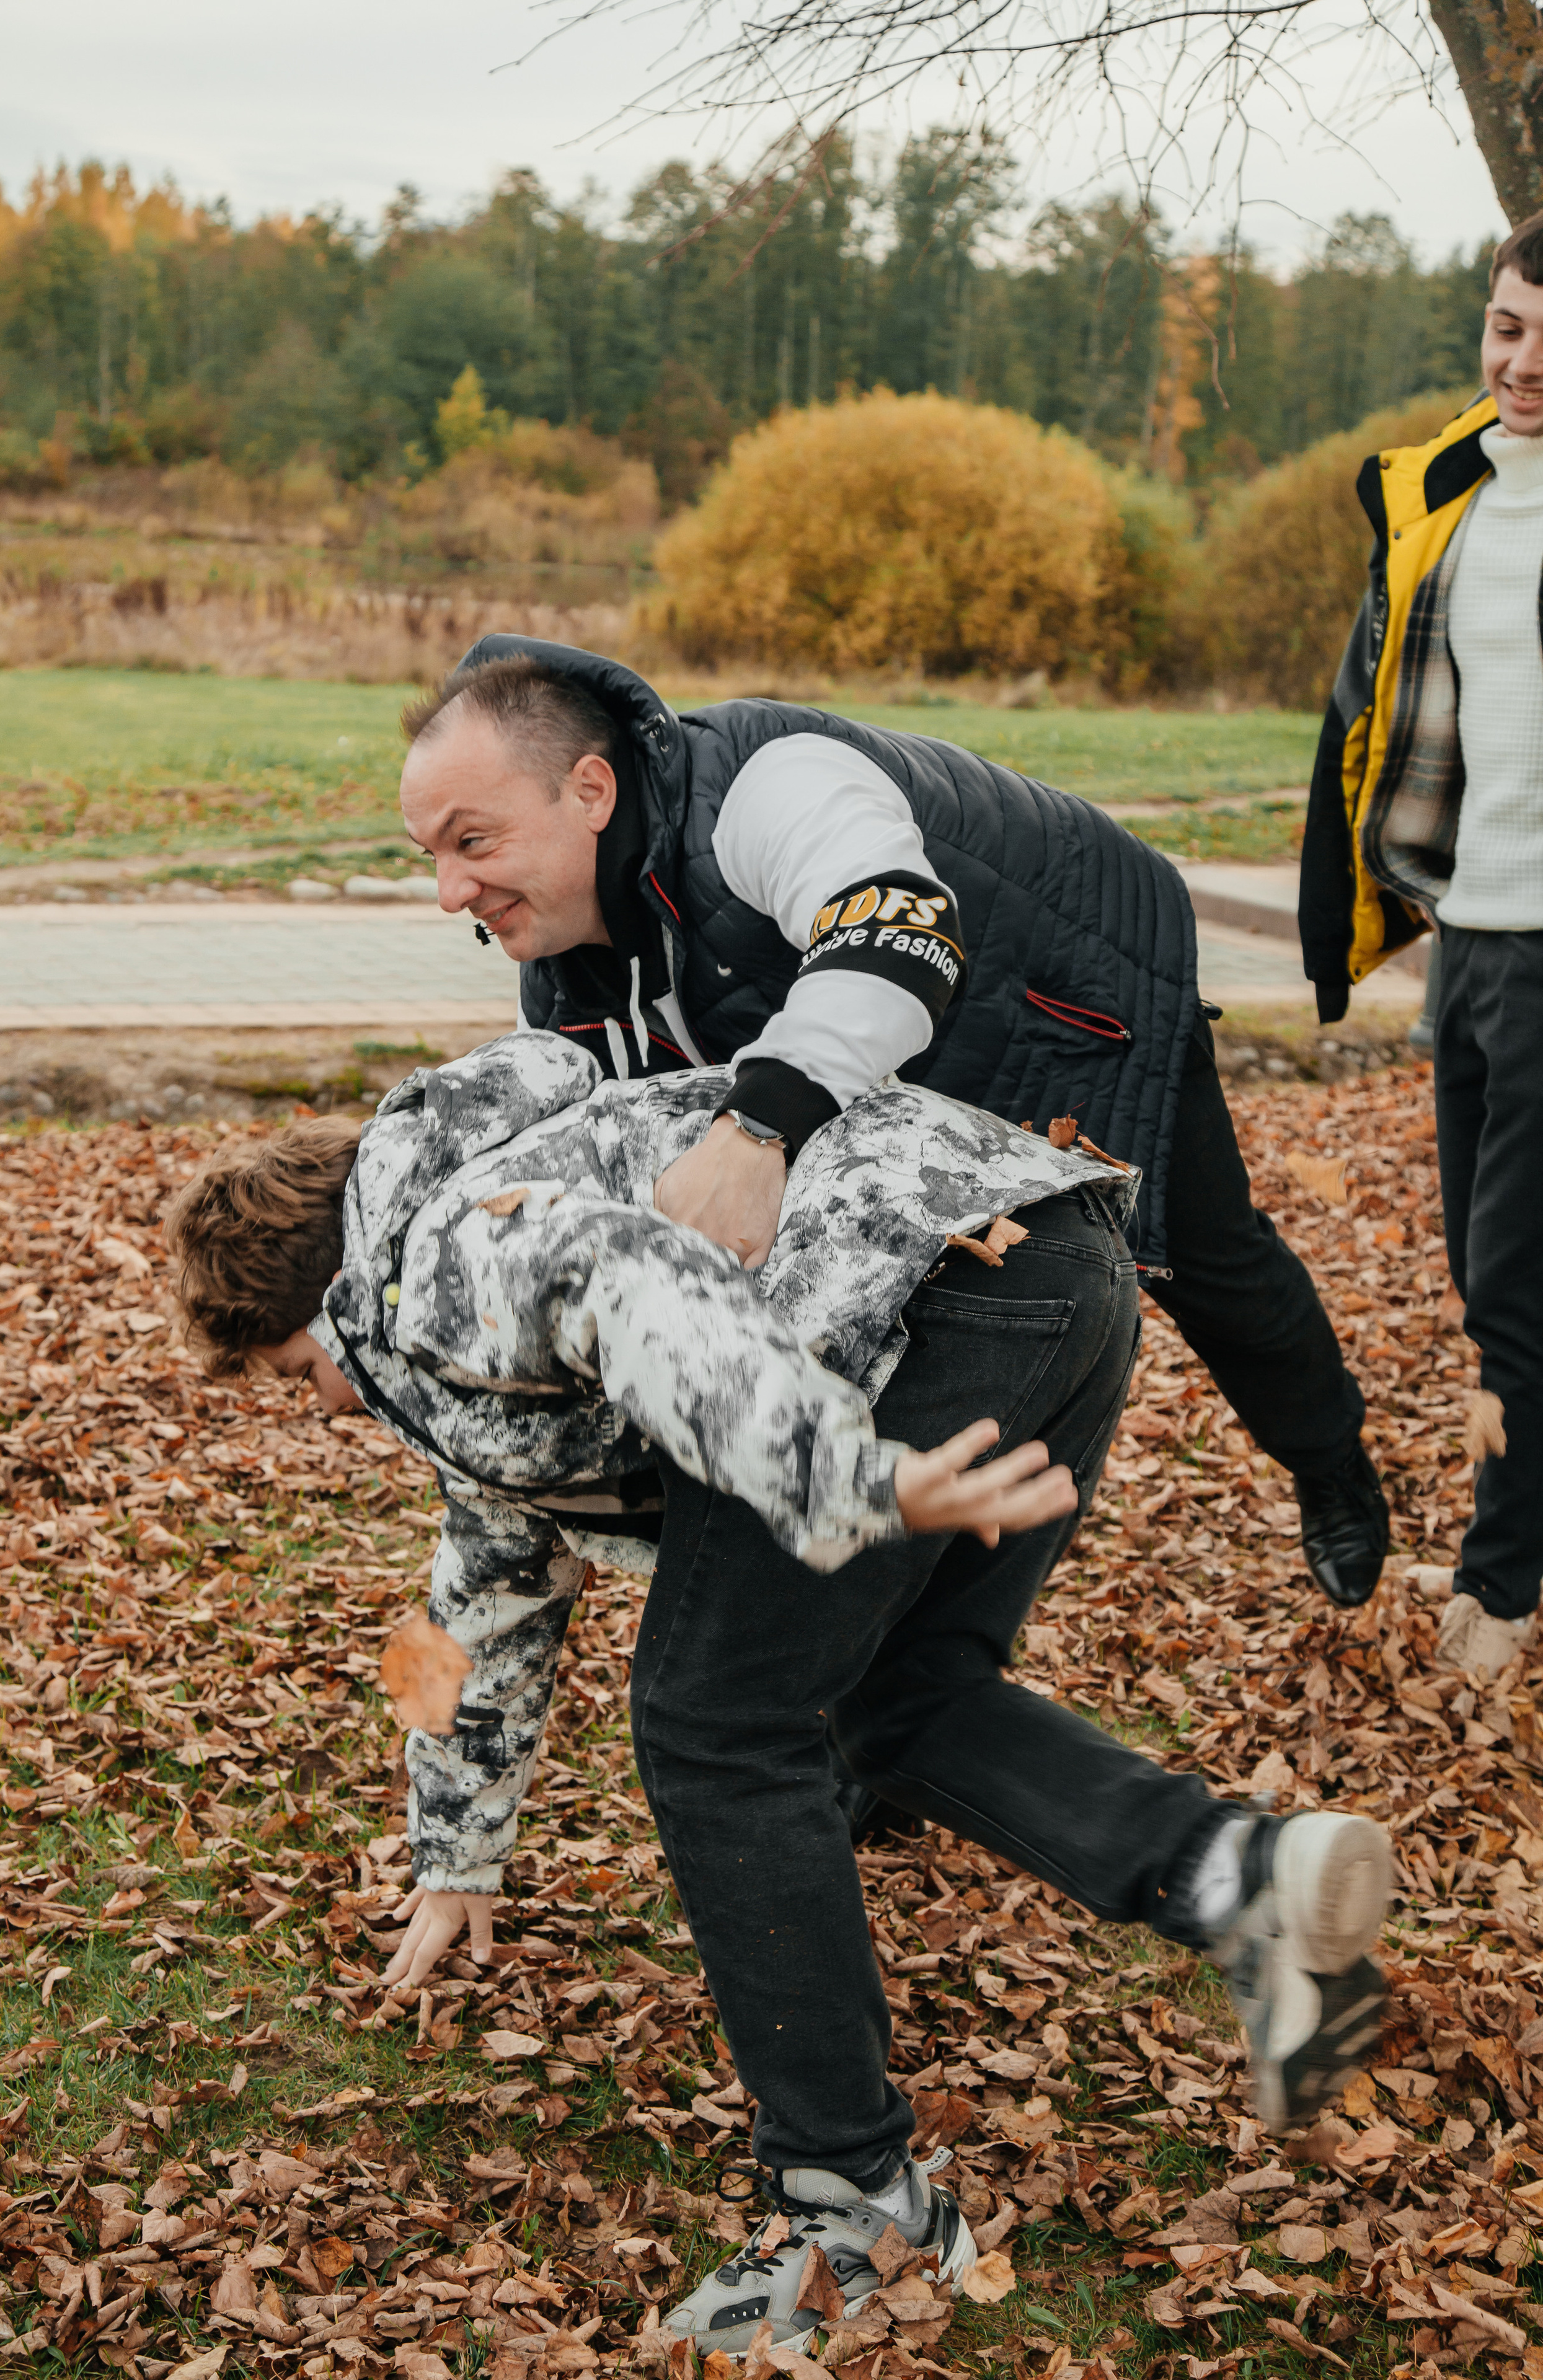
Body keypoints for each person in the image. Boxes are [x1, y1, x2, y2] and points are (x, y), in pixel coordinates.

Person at [166, 1034, 1392, 2356]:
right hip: (1046, 1263)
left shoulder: (441, 1256)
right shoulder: (458, 1297)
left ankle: (852, 2201)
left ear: (324, 1306)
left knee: (712, 1723)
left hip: (908, 1302)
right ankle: (1237, 1878)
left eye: (296, 1375)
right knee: (898, 1692)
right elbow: (477, 1592)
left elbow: (621, 1271)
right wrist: (456, 1853)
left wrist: (839, 1471)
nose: (323, 1408)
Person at [396, 642, 1389, 1616]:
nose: (449, 894)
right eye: (431, 856)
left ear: (591, 791)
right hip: (884, 1088)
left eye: (472, 842)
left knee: (1209, 1264)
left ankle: (1329, 1458)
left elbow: (900, 930)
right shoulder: (564, 976)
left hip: (1063, 1008)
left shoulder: (764, 785)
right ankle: (915, 1594)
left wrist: (756, 1129)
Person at [1301, 211, 1543, 1678]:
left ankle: (1501, 1585)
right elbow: (1370, 707)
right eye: (1506, 329)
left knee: (1513, 1281)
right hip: (1472, 935)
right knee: (1479, 1259)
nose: (1521, 366)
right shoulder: (1442, 495)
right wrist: (1366, 900)